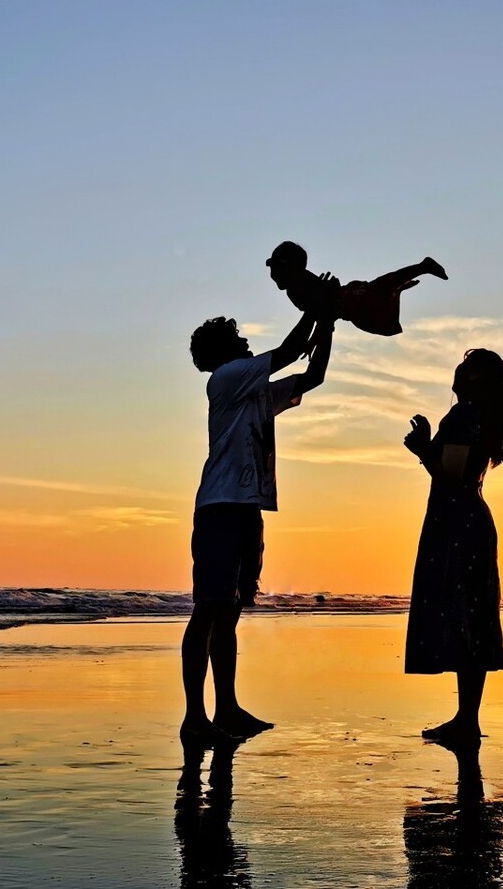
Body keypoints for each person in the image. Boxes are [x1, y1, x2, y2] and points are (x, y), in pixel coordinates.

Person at [181, 311, 335, 745]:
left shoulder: (254, 391)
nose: (246, 342)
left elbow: (313, 376)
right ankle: (195, 717)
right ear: (223, 351)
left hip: (246, 508)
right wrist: (316, 309)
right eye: (237, 338)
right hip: (220, 507)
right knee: (208, 610)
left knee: (228, 612)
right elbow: (289, 351)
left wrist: (328, 325)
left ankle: (226, 709)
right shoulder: (227, 377)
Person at [403, 349, 503, 747]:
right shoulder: (483, 416)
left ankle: (466, 720)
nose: (458, 369)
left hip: (455, 523)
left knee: (462, 616)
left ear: (475, 380)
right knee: (472, 617)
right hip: (469, 520)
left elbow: (451, 474)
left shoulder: (465, 415)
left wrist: (422, 449)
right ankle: (466, 718)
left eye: (467, 366)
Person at [267, 240, 447, 338]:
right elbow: (319, 315)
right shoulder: (298, 285)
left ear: (288, 268)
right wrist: (313, 341)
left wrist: (314, 340)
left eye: (274, 267)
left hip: (350, 300)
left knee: (384, 287)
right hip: (350, 306)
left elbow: (319, 312)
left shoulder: (297, 287)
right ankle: (401, 287)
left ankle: (422, 268)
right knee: (389, 324)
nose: (272, 273)